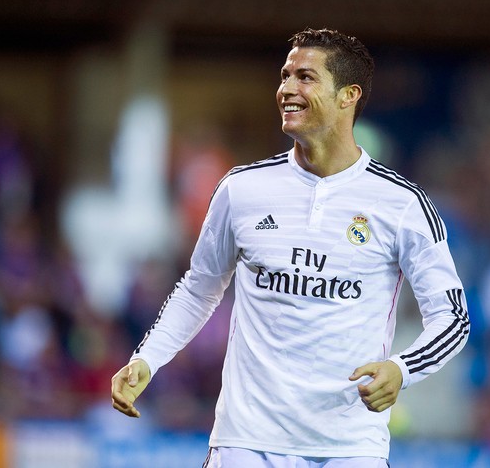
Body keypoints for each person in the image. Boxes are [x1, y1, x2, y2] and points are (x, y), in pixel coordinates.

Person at [111, 27, 470, 467]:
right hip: (246, 440)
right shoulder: (242, 190)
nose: (286, 89)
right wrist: (148, 358)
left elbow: (452, 317)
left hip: (348, 447)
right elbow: (199, 288)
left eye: (305, 77)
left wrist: (403, 368)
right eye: (284, 75)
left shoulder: (402, 204)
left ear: (348, 95)